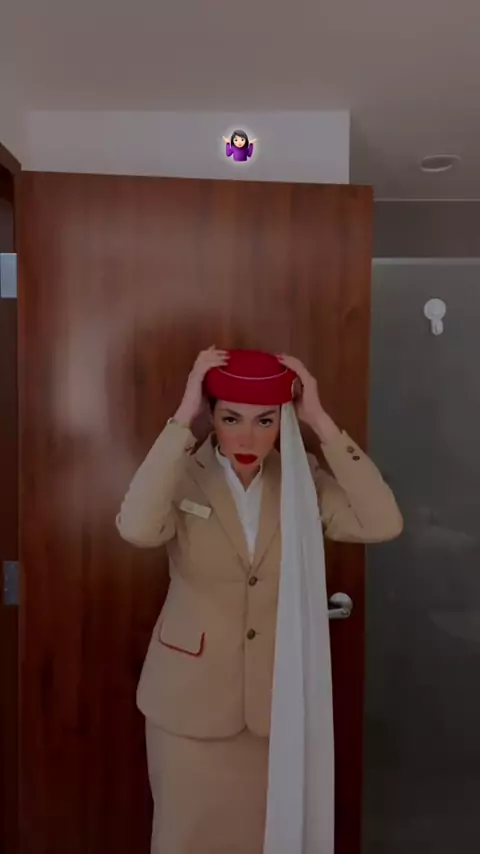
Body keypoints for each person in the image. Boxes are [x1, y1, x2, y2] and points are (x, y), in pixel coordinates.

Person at [116, 347, 403, 854]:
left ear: (282, 421)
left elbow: (381, 522)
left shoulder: (301, 480)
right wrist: (183, 417)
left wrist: (320, 420)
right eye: (231, 418)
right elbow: (136, 528)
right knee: (185, 838)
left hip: (277, 704)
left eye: (264, 420)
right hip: (189, 704)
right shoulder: (181, 474)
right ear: (212, 416)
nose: (247, 438)